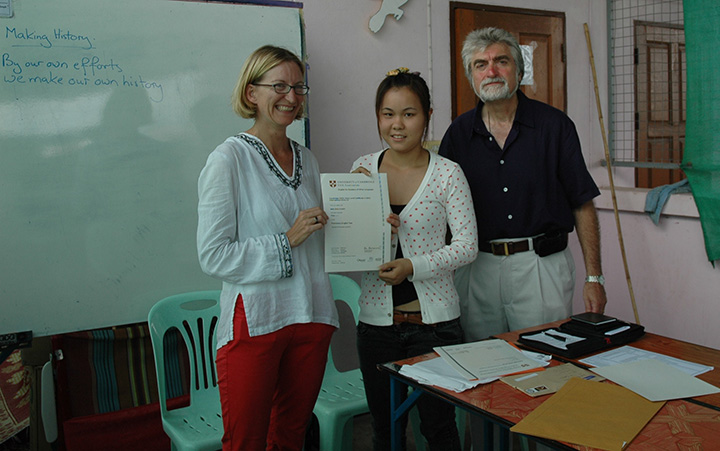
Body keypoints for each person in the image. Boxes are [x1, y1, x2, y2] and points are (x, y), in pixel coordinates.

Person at [196, 45, 338, 451]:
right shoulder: (228, 159)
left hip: (311, 312)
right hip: (256, 319)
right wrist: (285, 241)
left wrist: (368, 211)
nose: (291, 97)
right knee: (246, 441)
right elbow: (213, 255)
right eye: (278, 85)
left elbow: (319, 233)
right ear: (251, 93)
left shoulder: (306, 158)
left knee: (291, 436)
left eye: (298, 87)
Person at [439, 26, 607, 343]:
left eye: (501, 61)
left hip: (542, 268)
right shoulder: (458, 135)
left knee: (546, 362)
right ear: (470, 75)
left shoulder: (555, 127)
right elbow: (439, 206)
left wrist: (594, 276)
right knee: (482, 364)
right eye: (480, 64)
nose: (491, 71)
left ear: (519, 69)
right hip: (478, 268)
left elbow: (582, 202)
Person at [351, 68, 478, 451]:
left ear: (427, 115)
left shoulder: (447, 173)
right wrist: (372, 233)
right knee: (385, 429)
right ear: (377, 116)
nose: (397, 124)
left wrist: (412, 266)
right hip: (376, 327)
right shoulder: (363, 168)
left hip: (434, 326)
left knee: (438, 429)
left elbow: (467, 246)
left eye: (409, 113)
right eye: (388, 114)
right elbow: (353, 248)